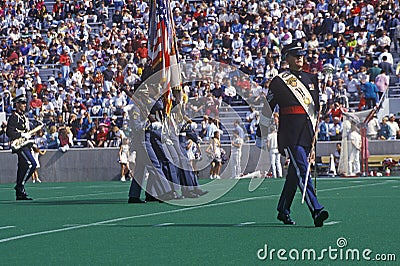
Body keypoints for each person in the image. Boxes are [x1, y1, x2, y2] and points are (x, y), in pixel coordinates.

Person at [267, 42, 329, 227]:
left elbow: (317, 109)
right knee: (303, 170)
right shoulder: (279, 81)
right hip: (290, 134)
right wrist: (259, 134)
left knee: (295, 174)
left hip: (307, 132)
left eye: (301, 54)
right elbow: (267, 108)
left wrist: (323, 101)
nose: (300, 58)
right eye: (295, 55)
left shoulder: (312, 79)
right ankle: (316, 210)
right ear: (287, 59)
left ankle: (283, 209)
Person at [6, 95, 37, 200]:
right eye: (22, 103)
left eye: (25, 103)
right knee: (31, 164)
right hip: (19, 146)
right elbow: (9, 132)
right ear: (17, 104)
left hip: (26, 145)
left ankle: (20, 193)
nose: (24, 105)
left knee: (22, 167)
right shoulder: (14, 117)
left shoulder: (24, 117)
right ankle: (20, 186)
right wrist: (21, 135)